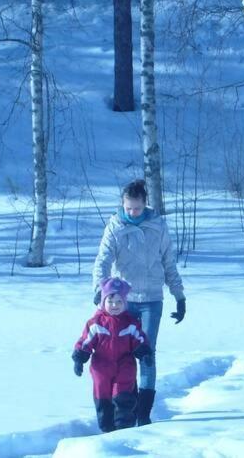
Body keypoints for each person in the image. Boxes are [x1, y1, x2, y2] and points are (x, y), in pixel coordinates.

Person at [92, 179, 186, 426]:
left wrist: (179, 296)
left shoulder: (158, 226)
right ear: (122, 205)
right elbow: (103, 259)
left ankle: (143, 414)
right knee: (123, 356)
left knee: (146, 354)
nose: (132, 212)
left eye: (137, 208)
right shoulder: (115, 226)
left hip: (152, 300)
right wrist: (99, 288)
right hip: (123, 301)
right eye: (128, 208)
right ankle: (126, 409)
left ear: (145, 204)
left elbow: (168, 262)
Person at [72, 277, 154, 433]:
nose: (115, 305)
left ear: (125, 303)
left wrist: (144, 353)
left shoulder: (130, 323)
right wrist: (79, 359)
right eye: (111, 302)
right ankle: (107, 428)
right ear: (103, 302)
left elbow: (140, 339)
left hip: (125, 365)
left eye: (119, 302)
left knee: (123, 396)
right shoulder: (95, 323)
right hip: (101, 367)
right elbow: (85, 342)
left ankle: (124, 428)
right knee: (103, 396)